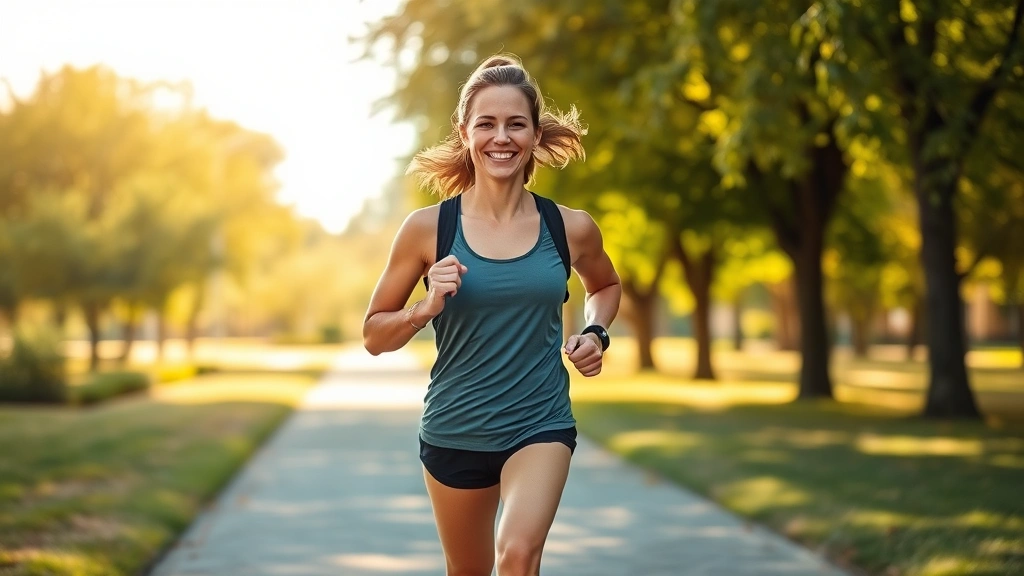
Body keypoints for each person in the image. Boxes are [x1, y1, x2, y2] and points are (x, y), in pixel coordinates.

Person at [362, 53, 621, 576]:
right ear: (465, 133)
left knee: (518, 555)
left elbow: (606, 285)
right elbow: (373, 336)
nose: (501, 137)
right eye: (486, 124)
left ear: (535, 135)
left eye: (515, 124)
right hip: (455, 429)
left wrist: (595, 332)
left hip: (540, 423)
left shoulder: (569, 227)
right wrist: (424, 308)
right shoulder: (427, 229)